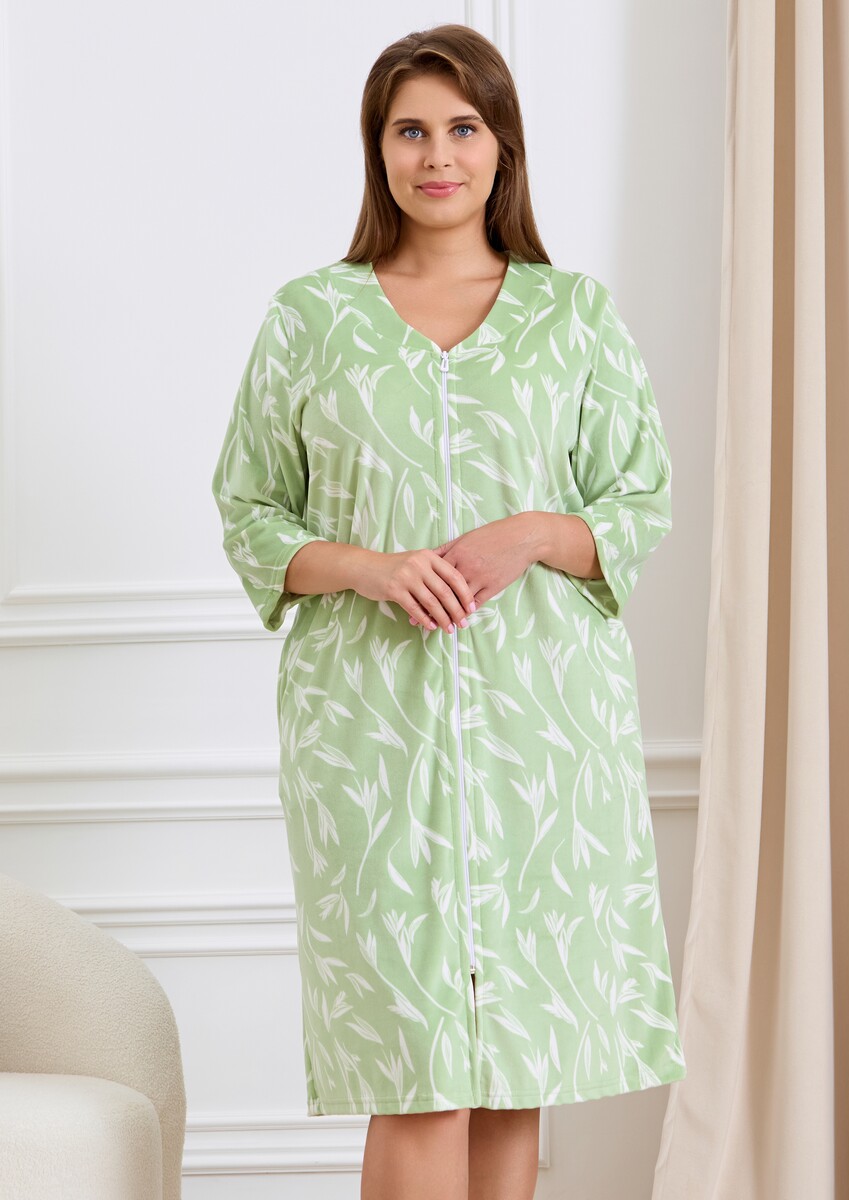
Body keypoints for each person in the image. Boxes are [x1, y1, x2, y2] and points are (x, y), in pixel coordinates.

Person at [211, 22, 686, 1200]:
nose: (437, 155)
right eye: (410, 130)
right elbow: (250, 511)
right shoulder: (311, 319)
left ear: (502, 145)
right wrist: (369, 568)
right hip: (370, 738)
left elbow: (640, 501)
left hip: (543, 732)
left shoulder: (573, 317)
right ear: (377, 150)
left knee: (515, 1064)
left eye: (463, 128)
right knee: (416, 1068)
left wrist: (532, 534)